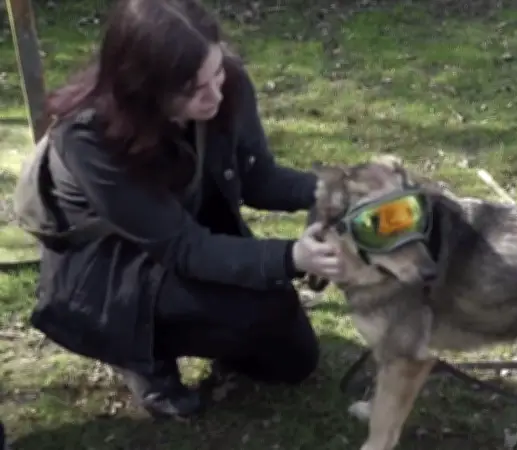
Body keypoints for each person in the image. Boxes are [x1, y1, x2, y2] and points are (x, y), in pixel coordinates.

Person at [27, 0, 342, 419]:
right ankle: (141, 355)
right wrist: (291, 257)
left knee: (294, 360)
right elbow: (183, 247)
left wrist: (329, 191)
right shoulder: (88, 138)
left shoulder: (224, 80)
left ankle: (208, 327)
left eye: (217, 74)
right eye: (194, 89)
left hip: (186, 228)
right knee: (266, 307)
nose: (215, 94)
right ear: (142, 87)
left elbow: (257, 177)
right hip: (112, 270)